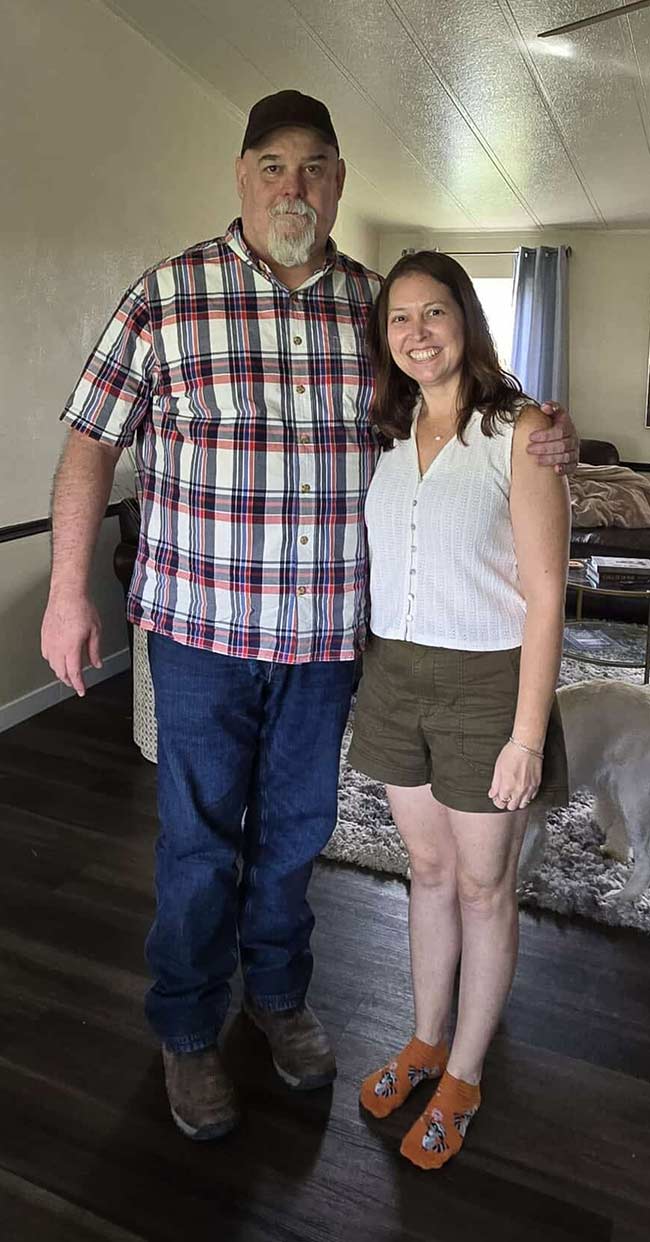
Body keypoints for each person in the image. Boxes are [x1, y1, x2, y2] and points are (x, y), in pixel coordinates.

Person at [40, 90, 578, 1142]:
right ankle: (187, 1027)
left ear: (338, 183)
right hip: (196, 635)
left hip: (328, 642)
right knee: (197, 844)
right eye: (274, 166)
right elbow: (91, 441)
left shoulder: (376, 309)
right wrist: (68, 591)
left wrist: (544, 432)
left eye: (316, 167)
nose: (295, 186)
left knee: (294, 837)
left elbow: (456, 402)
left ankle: (278, 1000)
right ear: (242, 175)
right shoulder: (167, 295)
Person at [347, 250, 570, 1170]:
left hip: (487, 683)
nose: (417, 332)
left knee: (484, 886)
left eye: (434, 311)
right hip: (393, 677)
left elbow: (548, 597)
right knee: (429, 873)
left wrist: (527, 735)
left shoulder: (522, 431)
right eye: (400, 317)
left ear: (465, 320)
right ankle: (425, 1040)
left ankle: (465, 1076)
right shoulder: (385, 431)